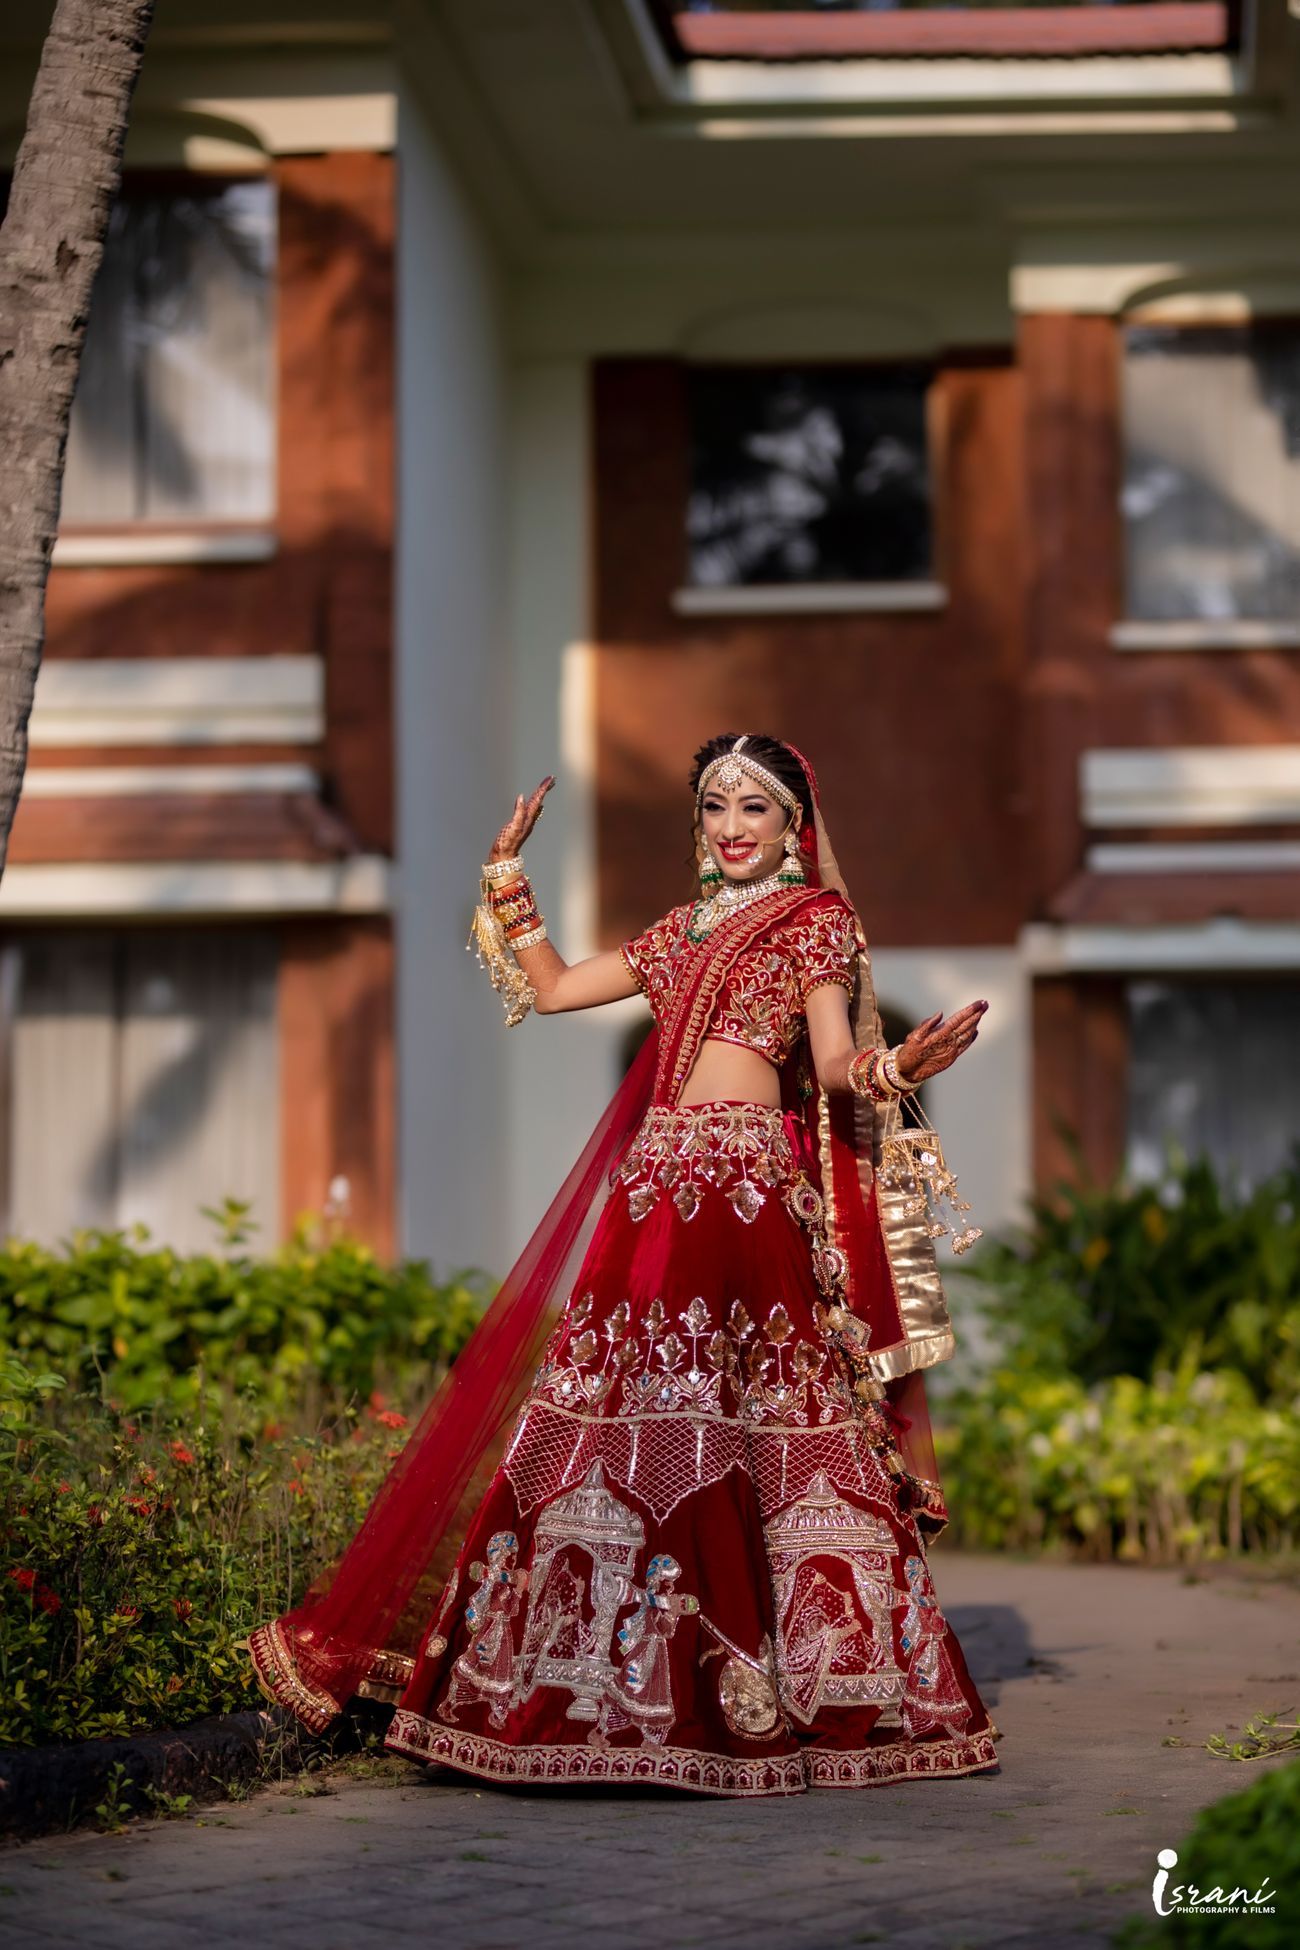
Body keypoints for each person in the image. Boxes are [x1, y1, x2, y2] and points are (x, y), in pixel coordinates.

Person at [248, 733, 1000, 1796]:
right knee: (602, 1423)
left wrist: (897, 1064)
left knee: (764, 1435)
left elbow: (832, 1067)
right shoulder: (679, 931)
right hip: (653, 1193)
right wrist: (508, 880)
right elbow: (552, 990)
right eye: (715, 809)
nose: (732, 828)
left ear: (794, 828)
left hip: (744, 1196)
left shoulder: (815, 923)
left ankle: (784, 1687)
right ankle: (579, 1691)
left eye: (755, 810)